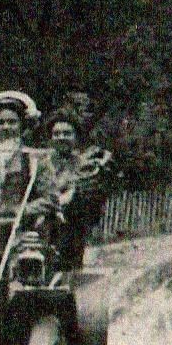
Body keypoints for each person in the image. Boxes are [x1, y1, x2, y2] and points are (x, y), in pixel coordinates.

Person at [28, 108, 116, 267]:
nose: (61, 137)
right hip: (36, 231)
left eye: (67, 133)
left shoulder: (86, 165)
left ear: (76, 136)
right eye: (57, 134)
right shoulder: (38, 164)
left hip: (70, 234)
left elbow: (88, 202)